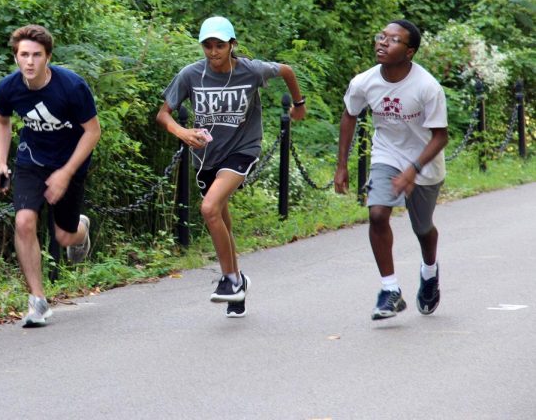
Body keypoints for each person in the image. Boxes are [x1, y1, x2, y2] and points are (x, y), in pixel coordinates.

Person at [156, 16, 306, 318]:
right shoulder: (191, 75)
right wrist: (183, 133)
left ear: (232, 45)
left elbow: (287, 70)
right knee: (221, 219)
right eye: (208, 46)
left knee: (209, 209)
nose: (213, 52)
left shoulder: (250, 71)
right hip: (207, 156)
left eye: (220, 45)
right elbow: (163, 114)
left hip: (242, 149)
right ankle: (239, 287)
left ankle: (231, 279)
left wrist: (298, 105)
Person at [334, 19, 448, 321]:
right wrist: (341, 165)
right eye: (381, 37)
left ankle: (429, 271)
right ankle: (390, 290)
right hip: (386, 156)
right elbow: (349, 115)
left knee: (423, 229)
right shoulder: (364, 82)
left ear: (409, 51)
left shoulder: (427, 87)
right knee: (377, 213)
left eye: (393, 40)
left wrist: (413, 169)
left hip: (424, 161)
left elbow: (440, 136)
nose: (383, 43)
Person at [0, 24, 101, 327]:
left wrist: (66, 173)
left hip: (71, 162)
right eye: (24, 55)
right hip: (32, 160)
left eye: (36, 55)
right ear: (16, 57)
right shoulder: (8, 88)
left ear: (48, 57)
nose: (30, 62)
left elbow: (93, 132)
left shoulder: (71, 86)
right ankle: (38, 300)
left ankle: (81, 229)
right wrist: (2, 163)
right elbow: (2, 122)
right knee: (24, 221)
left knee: (64, 235)